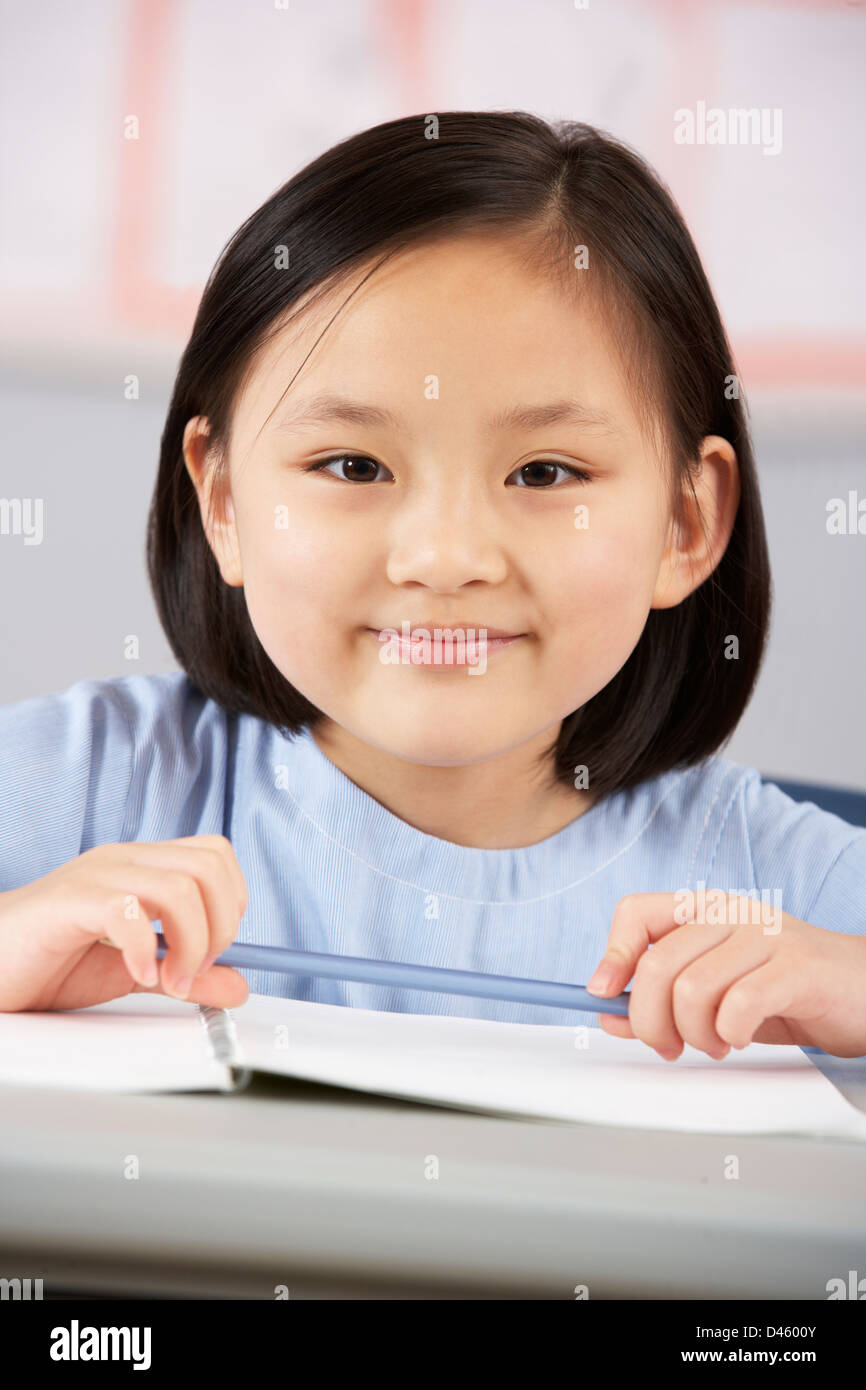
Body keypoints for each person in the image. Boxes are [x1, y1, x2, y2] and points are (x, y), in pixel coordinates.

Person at [1, 112, 864, 1060]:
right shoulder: (87, 787)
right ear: (225, 503)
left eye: (544, 475)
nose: (447, 557)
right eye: (353, 467)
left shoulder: (771, 879)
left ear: (685, 523)